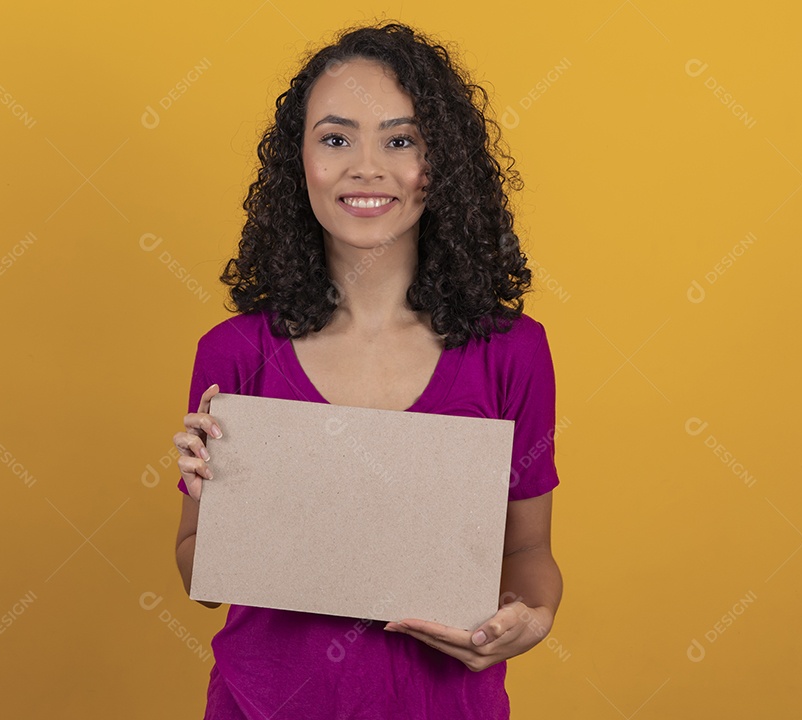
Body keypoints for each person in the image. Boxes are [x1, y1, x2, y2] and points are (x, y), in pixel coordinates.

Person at [171, 21, 562, 719]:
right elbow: (202, 581)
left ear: (438, 164)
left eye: (401, 139)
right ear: (302, 163)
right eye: (335, 138)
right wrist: (220, 506)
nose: (367, 167)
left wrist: (528, 619)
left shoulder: (513, 351)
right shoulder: (234, 352)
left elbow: (529, 548)